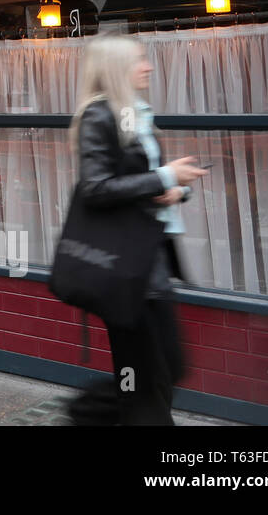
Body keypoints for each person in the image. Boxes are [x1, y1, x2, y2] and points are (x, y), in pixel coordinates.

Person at [65, 35, 208, 425]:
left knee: (167, 369)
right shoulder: (100, 116)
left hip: (150, 261)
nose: (148, 67)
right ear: (115, 69)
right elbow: (95, 188)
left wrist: (175, 189)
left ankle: (92, 413)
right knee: (147, 381)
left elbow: (139, 182)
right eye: (139, 60)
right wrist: (163, 176)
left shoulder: (134, 113)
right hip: (128, 268)